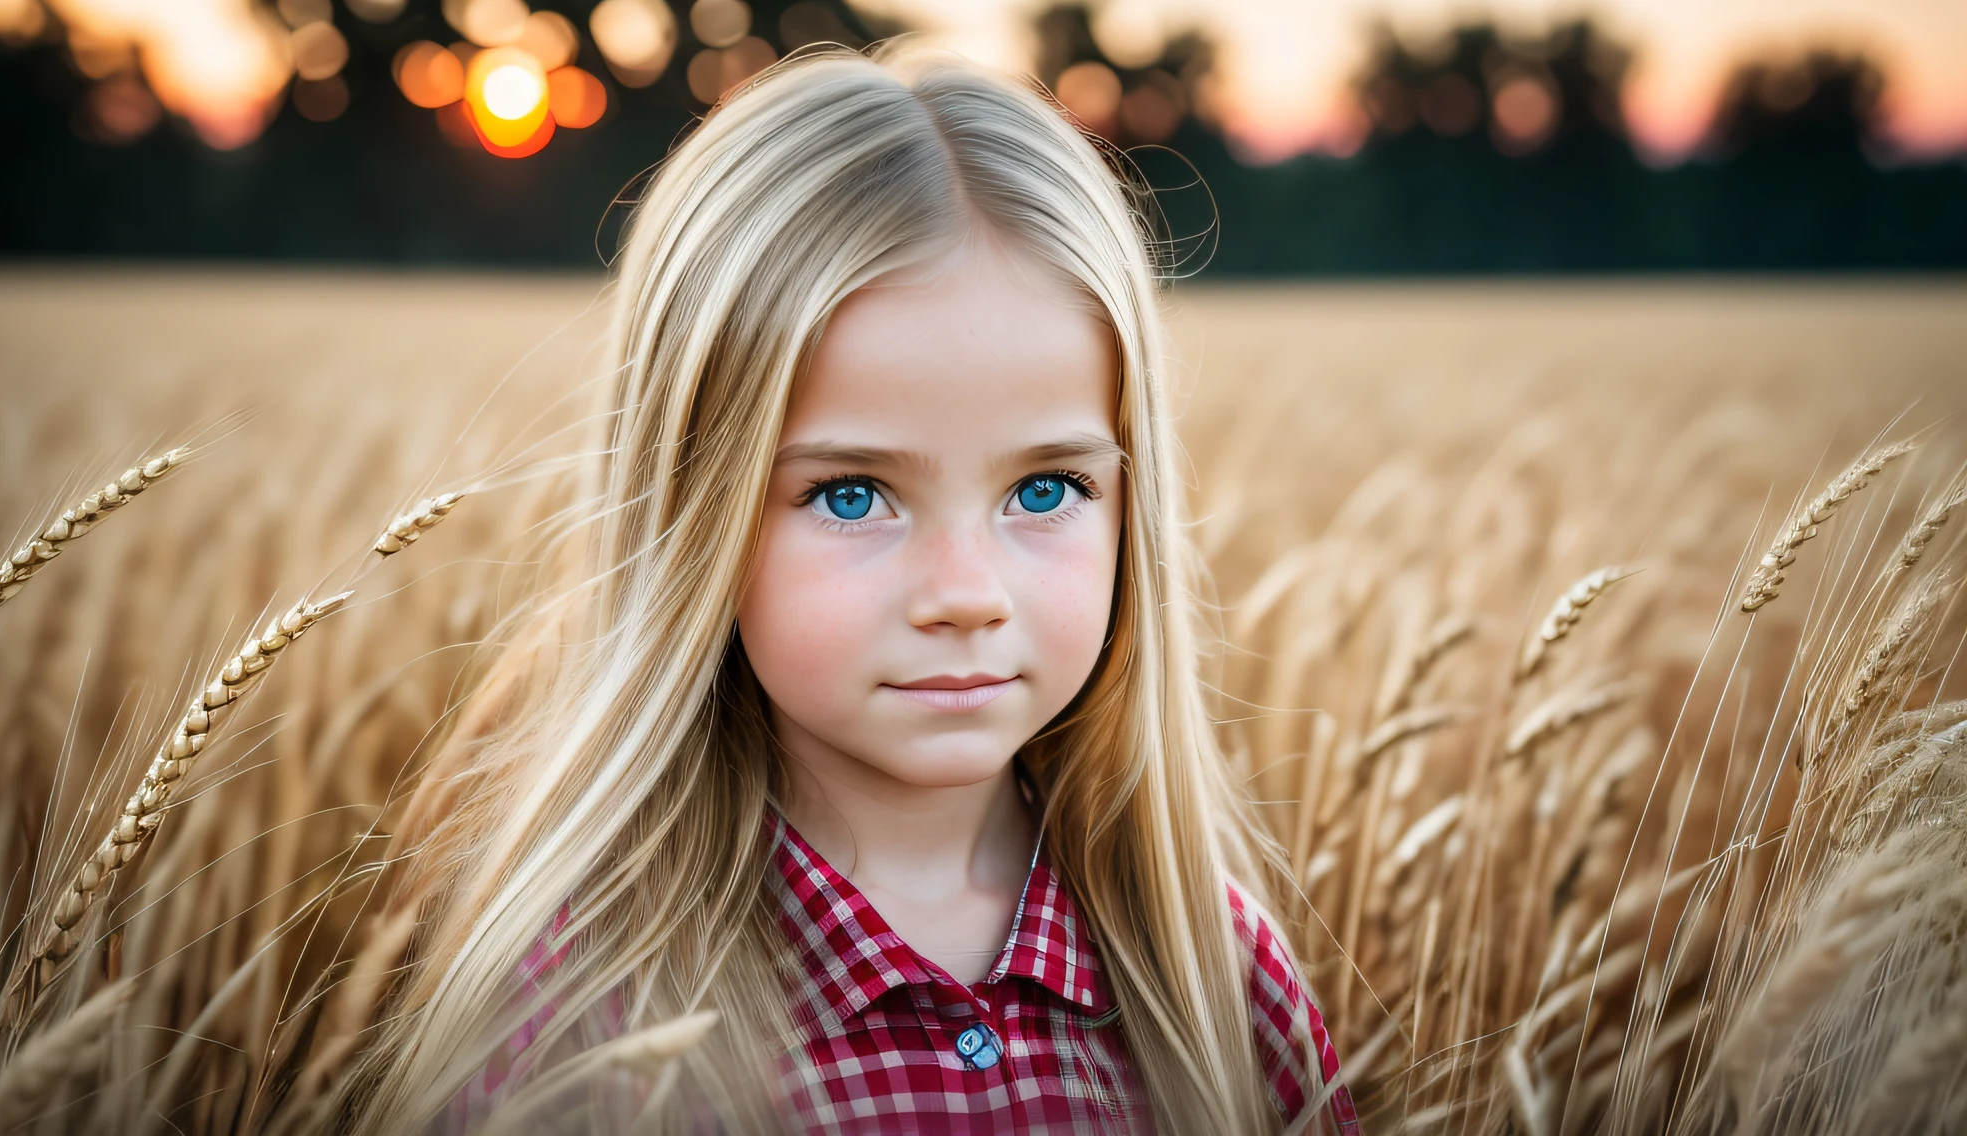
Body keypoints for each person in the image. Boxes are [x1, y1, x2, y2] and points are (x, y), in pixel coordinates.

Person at [344, 39, 1357, 1136]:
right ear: (694, 513)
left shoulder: (1216, 982)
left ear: (1132, 502)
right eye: (851, 496)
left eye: (1047, 487)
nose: (966, 593)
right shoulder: (581, 1027)